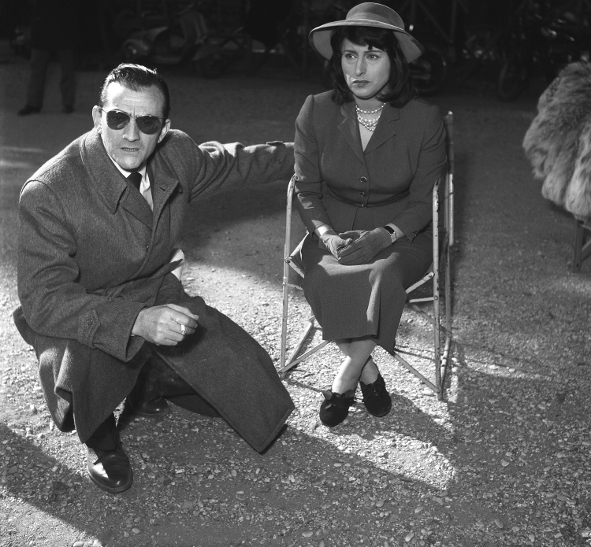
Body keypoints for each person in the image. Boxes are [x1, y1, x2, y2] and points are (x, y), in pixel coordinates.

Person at [13, 63, 295, 494]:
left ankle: (149, 379)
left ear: (163, 129)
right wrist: (137, 322)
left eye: (146, 122)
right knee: (84, 377)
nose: (131, 134)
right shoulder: (50, 191)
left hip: (152, 287)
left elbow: (236, 163)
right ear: (98, 117)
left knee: (245, 387)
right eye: (118, 118)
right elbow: (43, 301)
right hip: (81, 307)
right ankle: (101, 436)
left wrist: (309, 154)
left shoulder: (176, 153)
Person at [294, 3, 446, 427]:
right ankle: (370, 373)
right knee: (323, 276)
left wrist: (386, 234)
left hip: (402, 231)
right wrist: (326, 235)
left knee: (382, 276)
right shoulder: (316, 109)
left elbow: (424, 202)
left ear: (394, 61)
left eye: (372, 55)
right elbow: (305, 190)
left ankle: (345, 377)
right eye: (350, 55)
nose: (358, 69)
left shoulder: (424, 119)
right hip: (332, 228)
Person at [17, 0, 78, 115]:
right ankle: (35, 103)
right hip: (49, 28)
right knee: (40, 68)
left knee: (64, 68)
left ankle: (66, 103)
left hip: (58, 28)